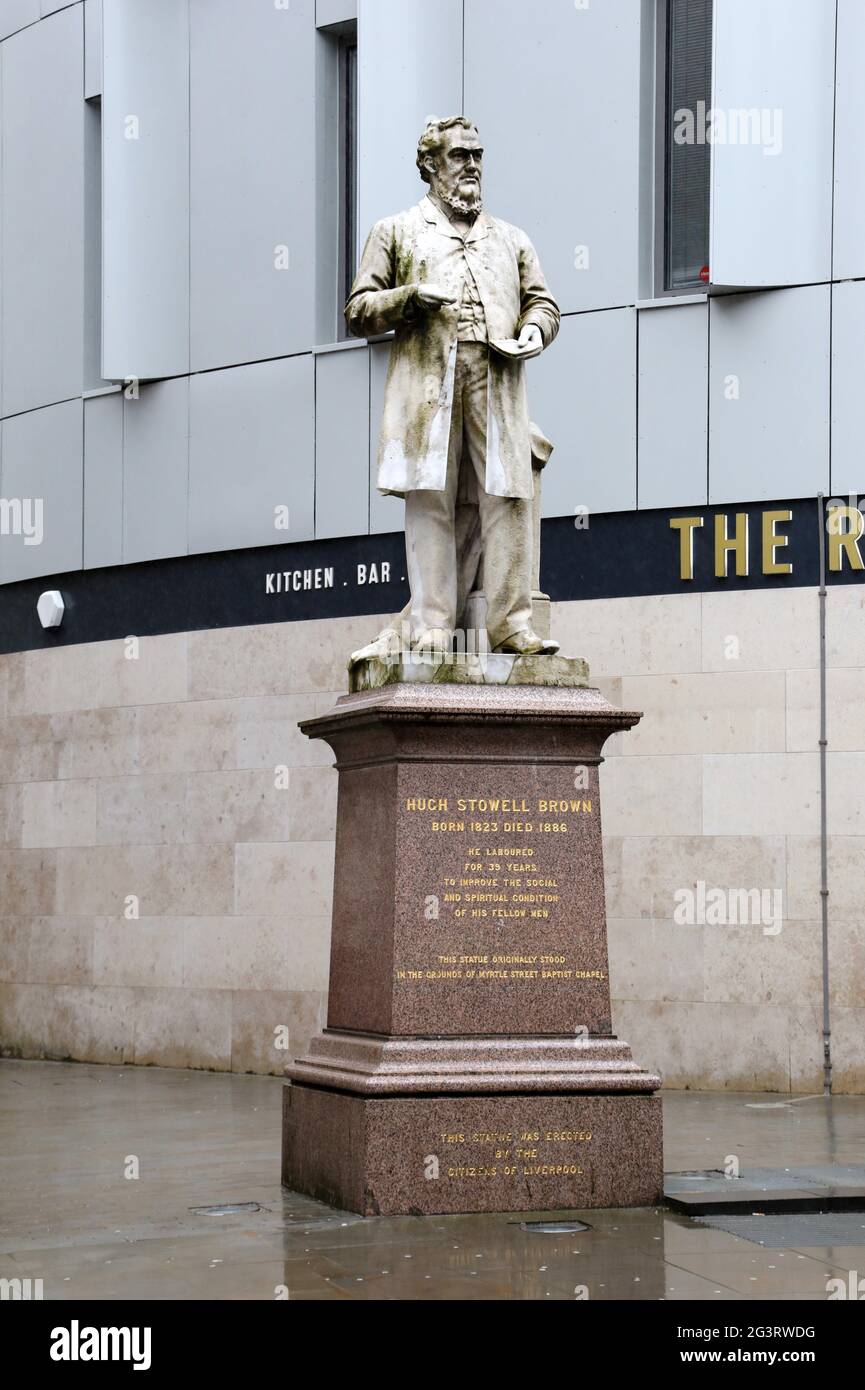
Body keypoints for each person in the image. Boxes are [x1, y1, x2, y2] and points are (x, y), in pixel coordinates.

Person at [345, 115, 560, 660]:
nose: (471, 166)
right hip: (427, 385)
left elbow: (543, 302)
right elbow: (358, 309)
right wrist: (408, 297)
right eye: (460, 155)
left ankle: (511, 624)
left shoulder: (511, 238)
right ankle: (434, 622)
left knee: (508, 495)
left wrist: (534, 329)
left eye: (477, 155)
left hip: (497, 375)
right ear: (431, 166)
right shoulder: (395, 231)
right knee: (431, 499)